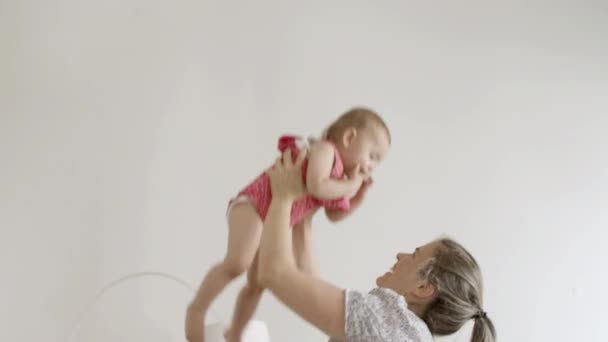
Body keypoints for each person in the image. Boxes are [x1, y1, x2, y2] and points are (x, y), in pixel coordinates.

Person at [185, 108, 391, 342]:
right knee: (237, 262)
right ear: (349, 137)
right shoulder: (325, 150)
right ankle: (197, 308)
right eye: (372, 156)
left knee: (257, 283)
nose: (372, 166)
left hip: (270, 219)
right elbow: (316, 186)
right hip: (253, 204)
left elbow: (334, 214)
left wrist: (358, 197)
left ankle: (235, 334)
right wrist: (352, 185)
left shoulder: (341, 179)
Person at [256, 149, 497, 342]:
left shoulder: (386, 317)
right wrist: (304, 218)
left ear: (423, 287)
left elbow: (274, 273)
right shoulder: (411, 334)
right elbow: (314, 293)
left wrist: (284, 195)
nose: (400, 255)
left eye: (414, 255)